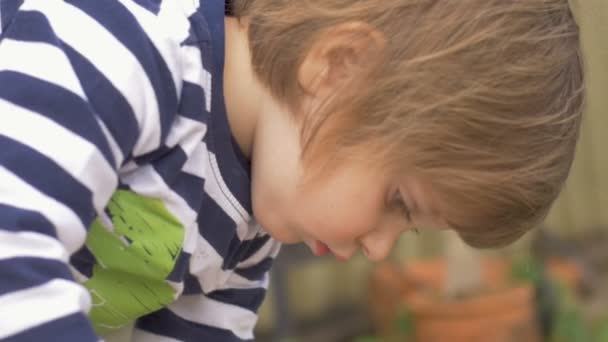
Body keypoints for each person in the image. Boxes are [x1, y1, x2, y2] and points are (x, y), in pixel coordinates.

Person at [0, 0, 584, 340]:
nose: (381, 249)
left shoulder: (249, 228)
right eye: (399, 202)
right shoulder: (125, 47)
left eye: (410, 230)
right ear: (338, 68)